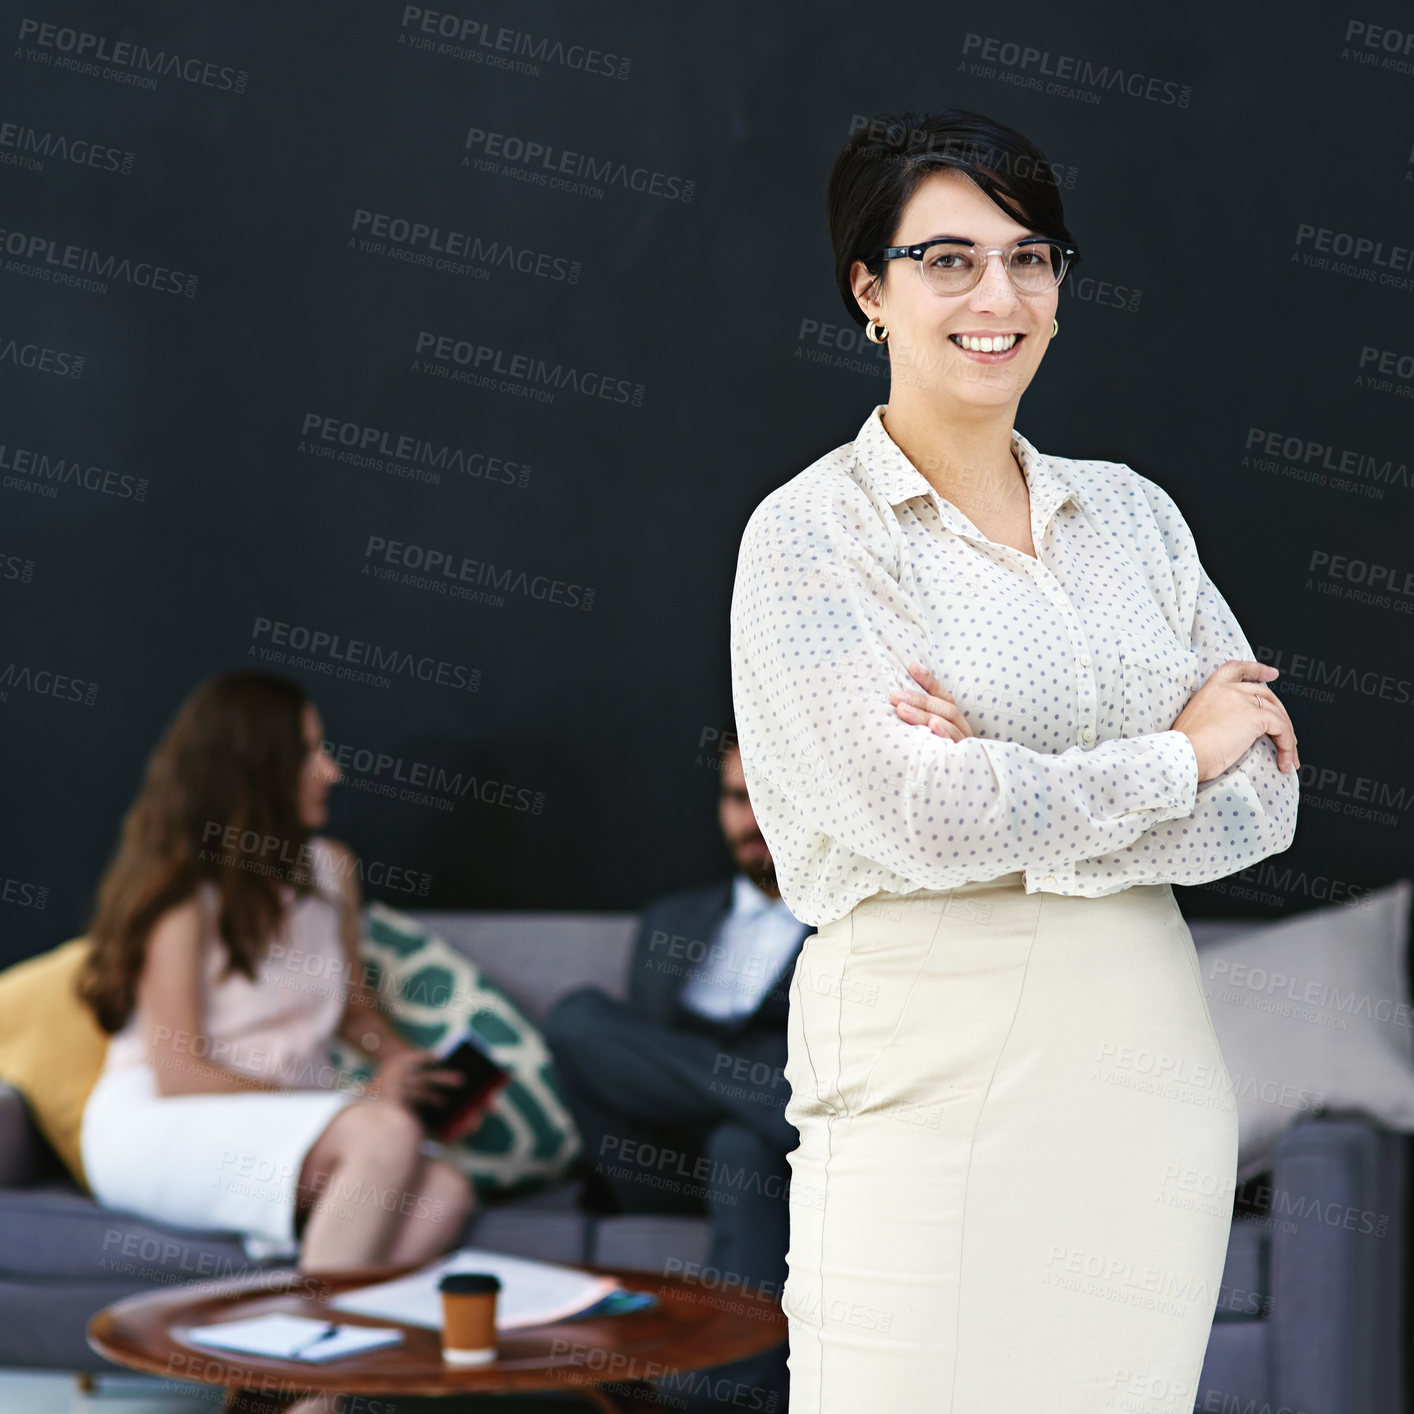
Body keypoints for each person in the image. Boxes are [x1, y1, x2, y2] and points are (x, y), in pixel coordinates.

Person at [728, 108, 1301, 1414]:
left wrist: (1013, 779)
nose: (1000, 295)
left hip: (1142, 1052)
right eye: (948, 259)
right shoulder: (812, 534)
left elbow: (1260, 795)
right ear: (868, 290)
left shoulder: (1134, 516)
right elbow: (914, 816)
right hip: (920, 1060)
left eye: (1030, 258)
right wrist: (1169, 754)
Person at [76, 671, 477, 1278]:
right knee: (381, 1135)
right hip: (164, 1121)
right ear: (254, 771)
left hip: (292, 1117)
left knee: (445, 1192)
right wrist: (351, 1102)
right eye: (308, 753)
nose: (331, 771)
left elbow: (352, 1012)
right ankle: (309, 1357)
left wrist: (402, 1064)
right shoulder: (184, 896)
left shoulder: (331, 870)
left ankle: (304, 1340)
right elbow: (180, 1073)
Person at [542, 727, 809, 1414]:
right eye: (734, 799)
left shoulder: (841, 923)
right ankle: (776, 1103)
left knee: (740, 1142)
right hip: (652, 1158)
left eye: (765, 799)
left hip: (766, 1164)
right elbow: (635, 1066)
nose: (749, 821)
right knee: (576, 1017)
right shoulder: (673, 920)